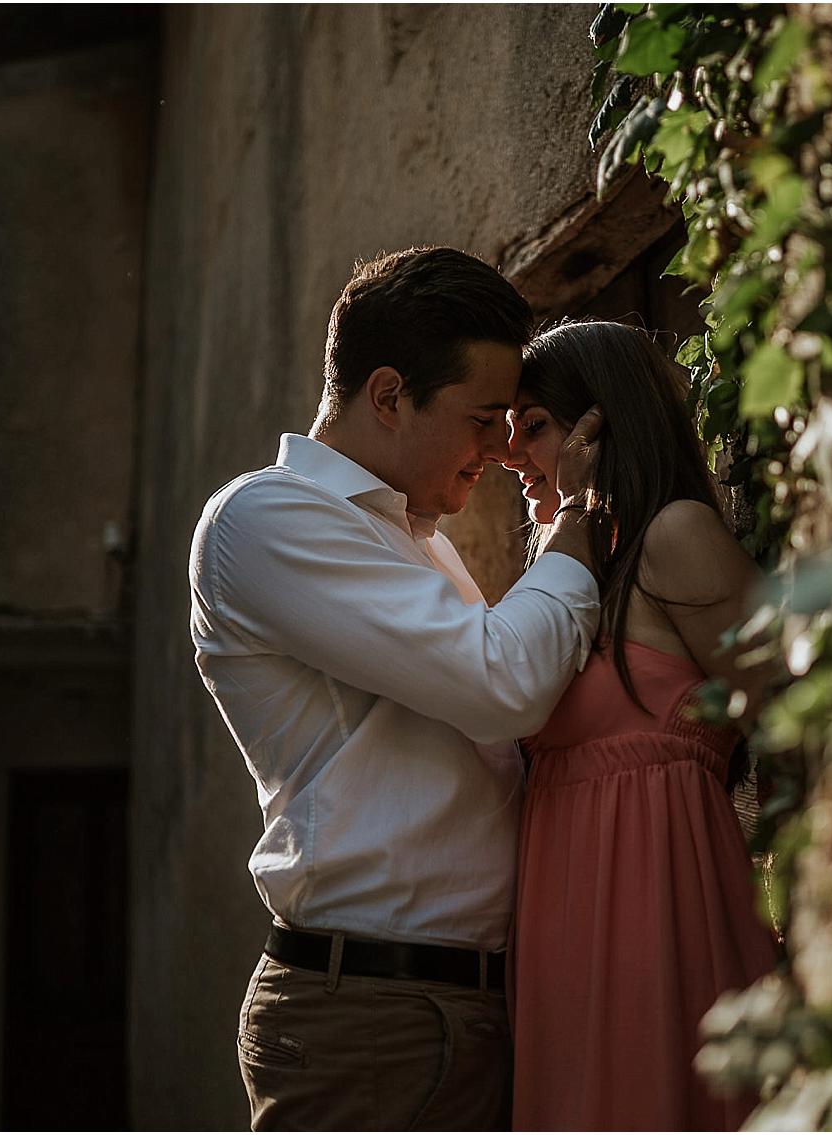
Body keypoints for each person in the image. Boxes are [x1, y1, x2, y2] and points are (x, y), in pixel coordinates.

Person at [189, 247, 605, 1131]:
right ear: (387, 395)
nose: (499, 449)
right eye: (483, 417)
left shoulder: (420, 538)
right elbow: (504, 682)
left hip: (448, 1004)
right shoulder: (265, 518)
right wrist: (579, 521)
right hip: (375, 1015)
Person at [501, 319, 780, 1131]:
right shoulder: (569, 575)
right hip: (564, 930)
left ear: (603, 423)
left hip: (663, 907)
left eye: (535, 426)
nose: (511, 452)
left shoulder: (674, 535)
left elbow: (796, 710)